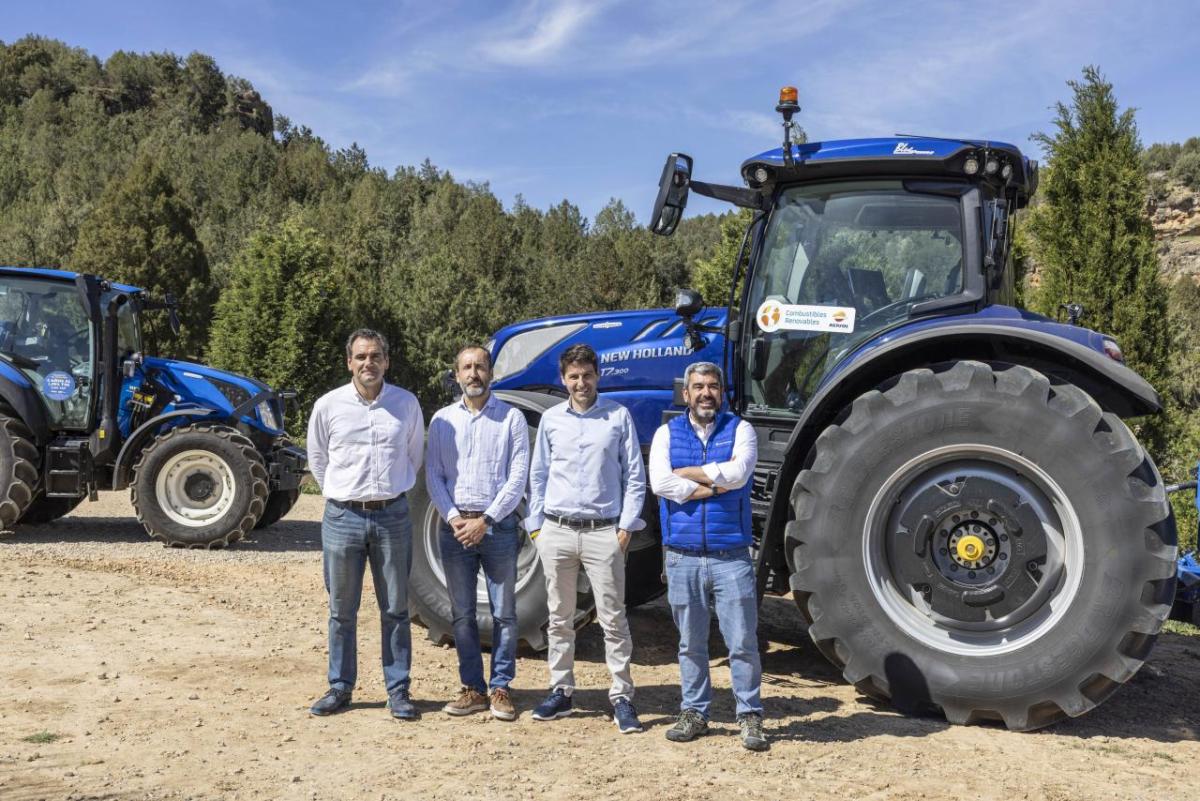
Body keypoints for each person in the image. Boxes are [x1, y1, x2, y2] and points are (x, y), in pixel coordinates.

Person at [647, 361, 768, 752]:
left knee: (742, 642)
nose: (705, 394)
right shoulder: (667, 432)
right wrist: (712, 485)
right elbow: (660, 482)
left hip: (731, 554)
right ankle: (695, 713)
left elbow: (741, 473)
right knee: (690, 644)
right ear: (686, 393)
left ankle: (749, 716)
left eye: (712, 386)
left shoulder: (741, 429)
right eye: (698, 387)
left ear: (722, 391)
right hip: (681, 555)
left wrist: (691, 474)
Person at [526, 343, 647, 733]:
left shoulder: (617, 417)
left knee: (613, 618)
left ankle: (622, 695)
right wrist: (536, 528)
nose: (581, 383)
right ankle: (561, 691)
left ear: (598, 376)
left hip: (603, 533)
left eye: (587, 375)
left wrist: (626, 527)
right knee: (559, 617)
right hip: (557, 531)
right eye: (574, 377)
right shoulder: (551, 420)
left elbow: (634, 475)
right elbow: (538, 475)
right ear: (563, 380)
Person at [306, 329, 425, 720]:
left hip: (393, 515)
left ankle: (398, 690)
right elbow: (318, 459)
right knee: (342, 609)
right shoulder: (328, 406)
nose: (368, 363)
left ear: (386, 361)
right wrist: (342, 494)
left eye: (375, 356)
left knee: (395, 608)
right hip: (343, 517)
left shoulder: (406, 404)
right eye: (360, 357)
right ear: (349, 363)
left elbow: (414, 455)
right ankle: (340, 686)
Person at [425, 345, 529, 721]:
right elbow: (434, 475)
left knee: (504, 613)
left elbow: (518, 477)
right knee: (462, 614)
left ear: (491, 373)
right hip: (454, 530)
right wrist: (454, 518)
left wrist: (485, 519)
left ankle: (501, 686)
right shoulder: (441, 421)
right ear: (456, 375)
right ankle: (473, 687)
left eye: (480, 367)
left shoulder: (512, 418)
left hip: (497, 527)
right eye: (466, 368)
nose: (474, 374)